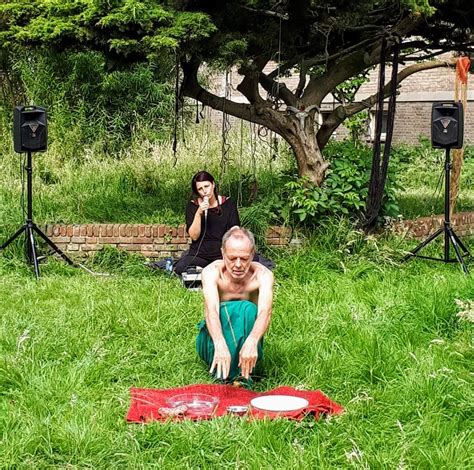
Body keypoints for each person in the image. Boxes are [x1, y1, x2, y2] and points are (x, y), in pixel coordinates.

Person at [196, 226, 274, 383]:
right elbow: (210, 310)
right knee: (235, 309)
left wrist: (252, 341)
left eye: (244, 259)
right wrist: (219, 343)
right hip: (214, 342)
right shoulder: (212, 273)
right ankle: (229, 374)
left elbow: (265, 312)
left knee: (248, 309)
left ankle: (240, 373)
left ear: (252, 255)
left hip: (248, 347)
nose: (238, 265)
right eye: (232, 258)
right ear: (223, 254)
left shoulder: (263, 275)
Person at [174, 171, 240, 276]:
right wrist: (199, 213)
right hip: (201, 254)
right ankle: (214, 271)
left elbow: (235, 230)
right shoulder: (193, 206)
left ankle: (209, 271)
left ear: (213, 185)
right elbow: (194, 236)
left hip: (222, 253)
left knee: (251, 261)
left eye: (207, 186)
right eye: (200, 189)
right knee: (180, 267)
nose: (204, 191)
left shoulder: (227, 203)